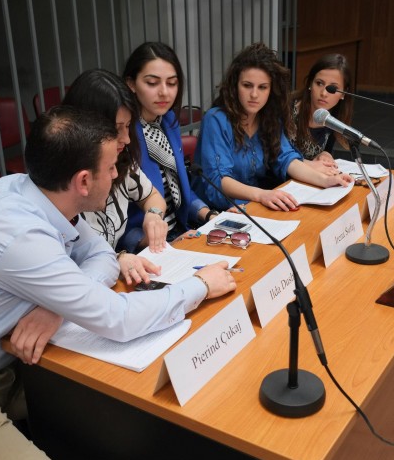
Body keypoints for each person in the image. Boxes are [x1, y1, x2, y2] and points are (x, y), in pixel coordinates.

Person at [0, 106, 236, 460]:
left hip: (4, 367)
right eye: (112, 168)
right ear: (83, 181)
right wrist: (200, 285)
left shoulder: (31, 193)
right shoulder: (20, 237)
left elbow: (101, 255)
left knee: (125, 408)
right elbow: (119, 319)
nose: (117, 175)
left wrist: (55, 307)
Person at [191, 42, 352, 212]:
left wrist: (324, 181)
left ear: (271, 89)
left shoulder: (269, 117)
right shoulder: (216, 119)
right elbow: (219, 179)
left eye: (262, 87)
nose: (254, 94)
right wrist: (261, 195)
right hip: (215, 211)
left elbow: (287, 158)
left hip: (254, 205)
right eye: (247, 85)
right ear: (234, 86)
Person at [62, 69, 167, 284]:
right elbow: (71, 265)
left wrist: (153, 215)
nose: (127, 139)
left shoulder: (119, 162)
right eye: (116, 129)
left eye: (128, 127)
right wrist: (117, 258)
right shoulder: (63, 185)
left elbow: (152, 196)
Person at [122, 42, 220, 244]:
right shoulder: (123, 134)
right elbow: (119, 221)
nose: (164, 92)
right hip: (145, 245)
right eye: (152, 83)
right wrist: (154, 243)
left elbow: (182, 191)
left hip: (183, 232)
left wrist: (209, 216)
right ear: (131, 84)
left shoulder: (168, 122)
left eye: (172, 83)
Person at [289, 53, 354, 175]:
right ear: (309, 84)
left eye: (332, 89)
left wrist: (325, 154)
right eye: (319, 83)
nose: (324, 93)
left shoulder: (334, 116)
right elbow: (275, 155)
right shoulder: (287, 109)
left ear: (344, 93)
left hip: (307, 181)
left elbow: (324, 151)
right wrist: (310, 165)